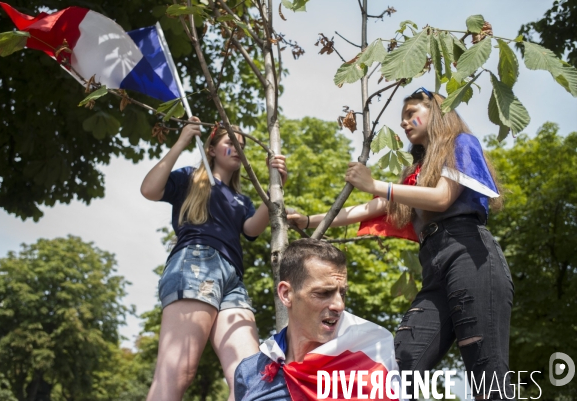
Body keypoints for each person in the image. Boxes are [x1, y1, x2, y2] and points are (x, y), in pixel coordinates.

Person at [288, 88, 514, 400]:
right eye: (402, 118)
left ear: (436, 112)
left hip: (469, 255)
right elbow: (370, 208)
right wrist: (310, 221)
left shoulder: (462, 144)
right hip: (434, 266)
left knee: (486, 370)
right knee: (402, 361)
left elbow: (442, 197)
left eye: (411, 114)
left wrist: (374, 184)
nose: (405, 123)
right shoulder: (415, 174)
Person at [141, 117, 287, 401]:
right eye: (229, 142)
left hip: (233, 279)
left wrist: (276, 185)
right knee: (178, 371)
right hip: (196, 262)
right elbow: (149, 190)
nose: (237, 148)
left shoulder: (242, 200)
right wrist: (182, 140)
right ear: (211, 149)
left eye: (241, 146)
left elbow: (252, 228)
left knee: (249, 380)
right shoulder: (189, 179)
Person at [235, 238, 399, 401]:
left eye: (343, 293)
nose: (339, 305)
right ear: (286, 294)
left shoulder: (371, 362)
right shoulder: (250, 372)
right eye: (323, 293)